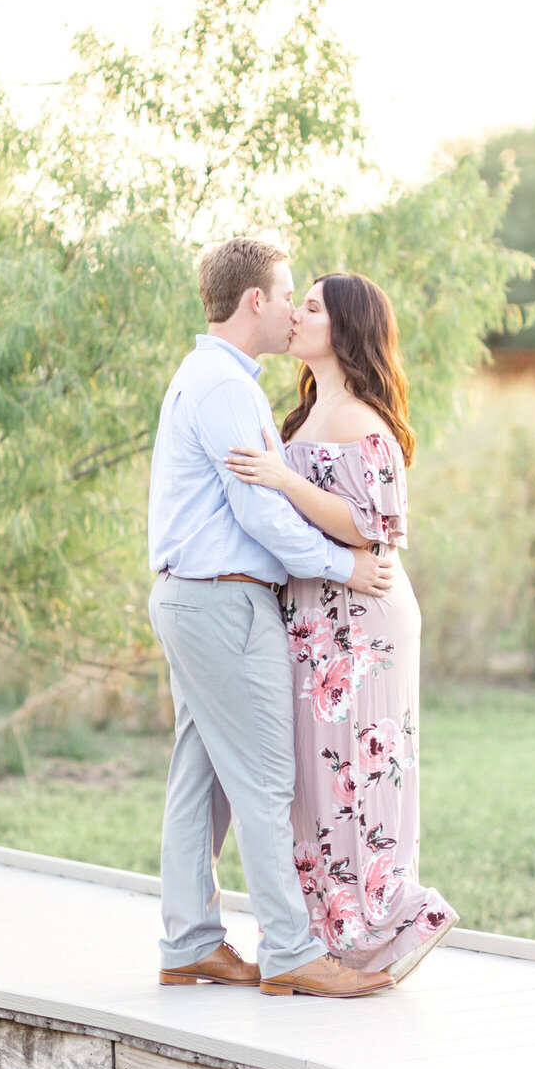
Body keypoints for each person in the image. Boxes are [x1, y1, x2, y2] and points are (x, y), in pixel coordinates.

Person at [147, 238, 396, 998]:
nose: (293, 309)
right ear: (256, 300)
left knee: (200, 779)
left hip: (190, 595)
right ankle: (290, 951)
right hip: (223, 600)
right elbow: (259, 514)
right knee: (263, 781)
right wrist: (345, 565)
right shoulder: (226, 389)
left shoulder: (208, 377)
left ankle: (191, 941)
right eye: (288, 293)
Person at [226, 272, 458, 981]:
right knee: (313, 783)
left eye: (314, 307)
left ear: (346, 330)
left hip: (362, 625)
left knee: (359, 775)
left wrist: (284, 480)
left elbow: (374, 530)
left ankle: (386, 927)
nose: (296, 314)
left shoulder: (364, 421)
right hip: (312, 622)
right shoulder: (298, 419)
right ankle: (326, 941)